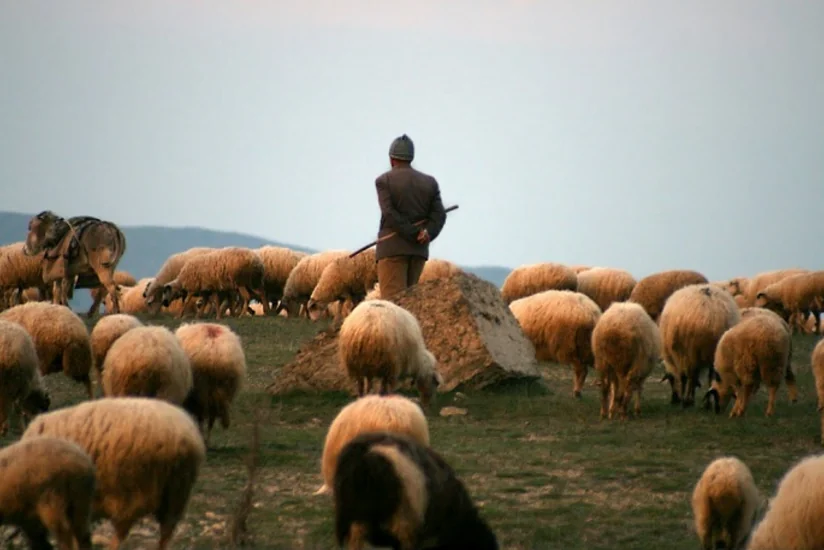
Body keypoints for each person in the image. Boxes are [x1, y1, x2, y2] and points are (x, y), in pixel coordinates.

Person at [374, 134, 447, 301]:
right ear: (411, 158)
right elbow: (439, 214)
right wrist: (427, 233)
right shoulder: (430, 182)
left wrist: (414, 233)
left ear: (392, 159)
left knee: (393, 305)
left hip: (393, 250)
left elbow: (389, 214)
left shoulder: (384, 181)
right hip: (418, 252)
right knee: (410, 304)